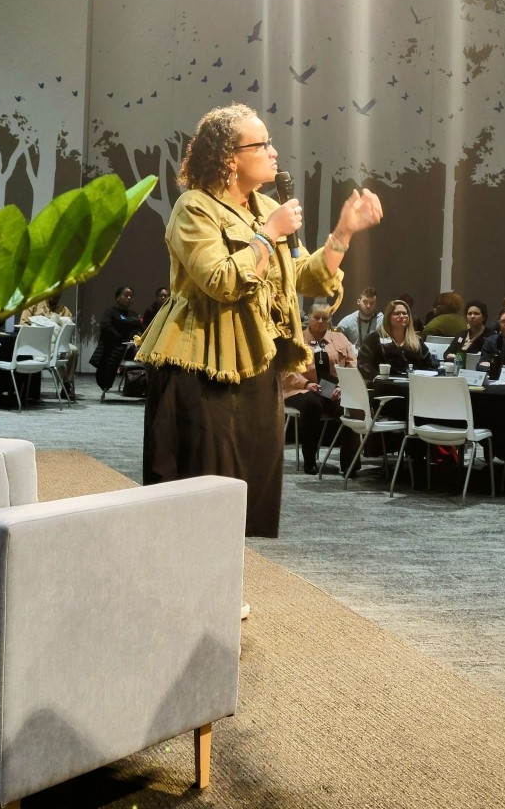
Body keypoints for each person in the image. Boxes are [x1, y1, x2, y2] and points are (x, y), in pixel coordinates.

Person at [137, 103, 383, 539]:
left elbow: (304, 276)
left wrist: (342, 234)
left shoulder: (266, 206)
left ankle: (227, 588)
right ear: (230, 157)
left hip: (258, 366)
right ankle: (189, 595)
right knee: (204, 486)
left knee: (251, 486)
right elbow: (218, 280)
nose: (274, 152)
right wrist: (267, 234)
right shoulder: (195, 208)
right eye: (263, 144)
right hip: (203, 366)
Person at [282, 302, 357, 476]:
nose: (321, 321)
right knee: (312, 404)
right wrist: (306, 384)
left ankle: (349, 463)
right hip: (299, 389)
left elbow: (352, 365)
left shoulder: (340, 339)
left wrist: (343, 387)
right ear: (308, 317)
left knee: (349, 407)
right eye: (317, 317)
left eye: (325, 318)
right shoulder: (296, 339)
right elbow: (286, 371)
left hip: (332, 388)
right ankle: (310, 460)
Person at [357, 299, 434, 384]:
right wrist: (377, 377)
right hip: (385, 385)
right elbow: (363, 364)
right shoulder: (374, 338)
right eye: (397, 313)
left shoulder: (417, 340)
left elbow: (429, 365)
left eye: (405, 313)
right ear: (388, 317)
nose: (402, 316)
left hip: (414, 385)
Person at [20, 294, 77, 399]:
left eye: (58, 293)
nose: (55, 296)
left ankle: (66, 384)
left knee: (73, 350)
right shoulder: (33, 305)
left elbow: (67, 330)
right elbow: (23, 324)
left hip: (56, 343)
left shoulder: (64, 310)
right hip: (36, 342)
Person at [90, 286, 144, 393]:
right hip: (114, 346)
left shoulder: (133, 314)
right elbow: (106, 327)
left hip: (130, 348)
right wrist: (121, 338)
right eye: (126, 295)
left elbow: (142, 328)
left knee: (144, 354)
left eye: (131, 296)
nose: (129, 298)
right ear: (117, 297)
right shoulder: (110, 312)